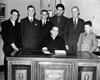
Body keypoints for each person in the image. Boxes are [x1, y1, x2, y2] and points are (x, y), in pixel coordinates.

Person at [1, 9, 21, 80]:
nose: (15, 16)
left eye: (17, 15)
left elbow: (19, 37)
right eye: (14, 14)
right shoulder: (5, 23)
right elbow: (4, 36)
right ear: (11, 15)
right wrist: (12, 44)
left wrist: (19, 47)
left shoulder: (19, 25)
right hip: (8, 48)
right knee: (7, 66)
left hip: (17, 49)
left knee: (15, 66)